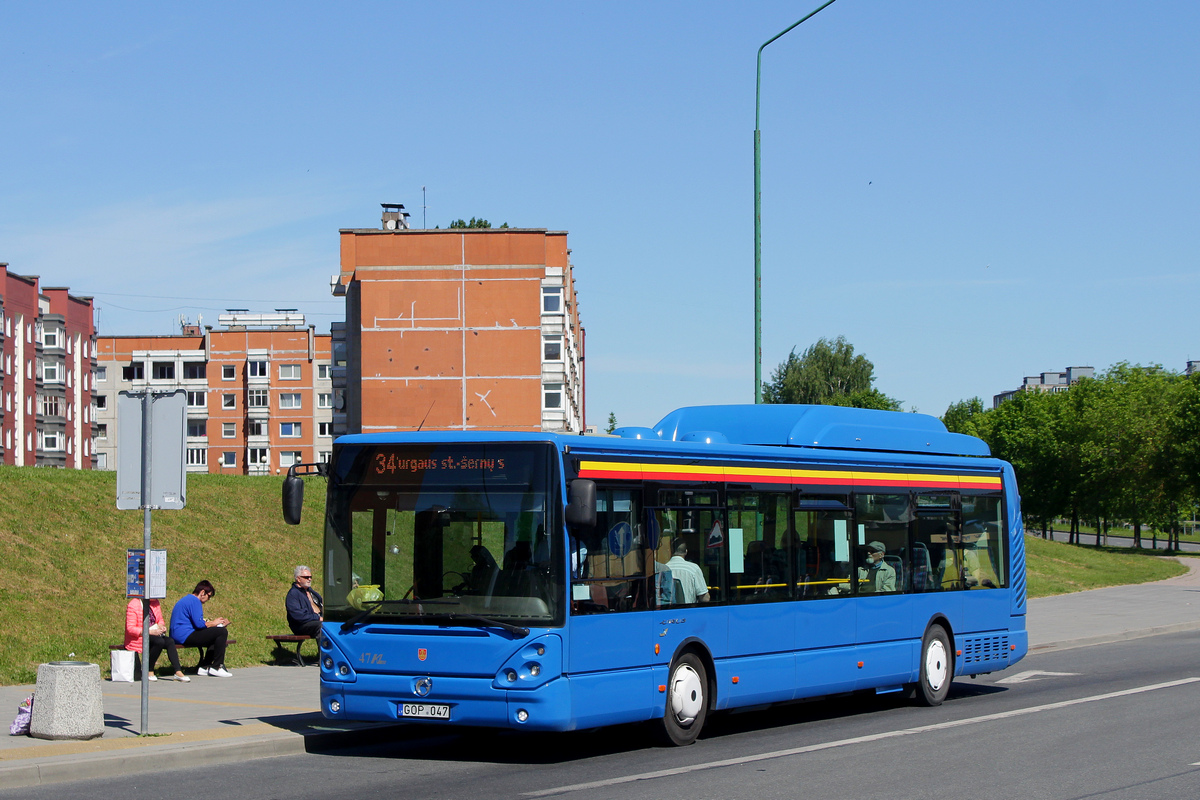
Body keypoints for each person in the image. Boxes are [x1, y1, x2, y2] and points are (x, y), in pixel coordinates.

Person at [170, 580, 232, 678]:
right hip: (184, 636)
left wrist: (214, 625)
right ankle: (217, 667)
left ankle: (204, 667)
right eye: (209, 596)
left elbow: (197, 623)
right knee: (222, 632)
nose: (209, 599)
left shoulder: (187, 599)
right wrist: (215, 623)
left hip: (178, 634)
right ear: (203, 593)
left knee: (216, 636)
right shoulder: (195, 601)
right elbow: (199, 624)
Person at [124, 597, 189, 682]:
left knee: (170, 641)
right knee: (159, 642)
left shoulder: (155, 602)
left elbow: (159, 619)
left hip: (154, 633)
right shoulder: (134, 604)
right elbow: (130, 629)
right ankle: (149, 670)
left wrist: (161, 626)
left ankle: (178, 671)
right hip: (139, 636)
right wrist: (150, 632)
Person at [665, 539, 710, 604]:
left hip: (668, 611)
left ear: (670, 551)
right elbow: (705, 598)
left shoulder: (663, 569)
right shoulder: (693, 568)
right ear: (686, 552)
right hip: (688, 611)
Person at [286, 565, 324, 636]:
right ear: (298, 579)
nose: (309, 579)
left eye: (310, 577)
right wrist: (318, 618)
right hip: (301, 626)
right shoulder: (293, 594)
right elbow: (298, 615)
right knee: (322, 627)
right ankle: (324, 647)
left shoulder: (312, 592)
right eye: (306, 577)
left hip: (315, 621)